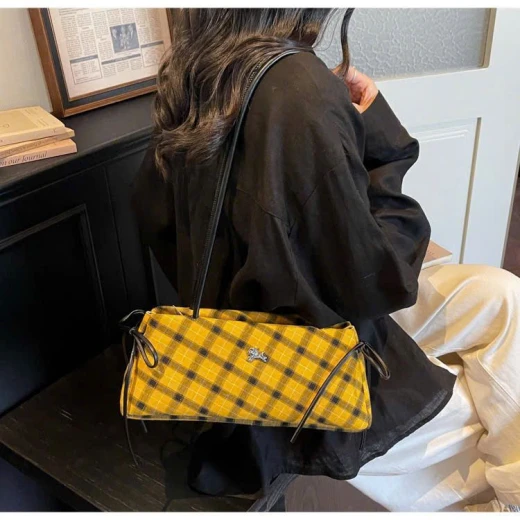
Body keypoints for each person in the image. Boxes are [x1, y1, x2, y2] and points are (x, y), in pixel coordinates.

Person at [132, 8, 520, 512]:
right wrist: (384, 144)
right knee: (494, 418)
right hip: (303, 373)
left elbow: (153, 214)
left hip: (270, 322)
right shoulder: (300, 91)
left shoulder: (197, 70)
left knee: (502, 296)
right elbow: (381, 279)